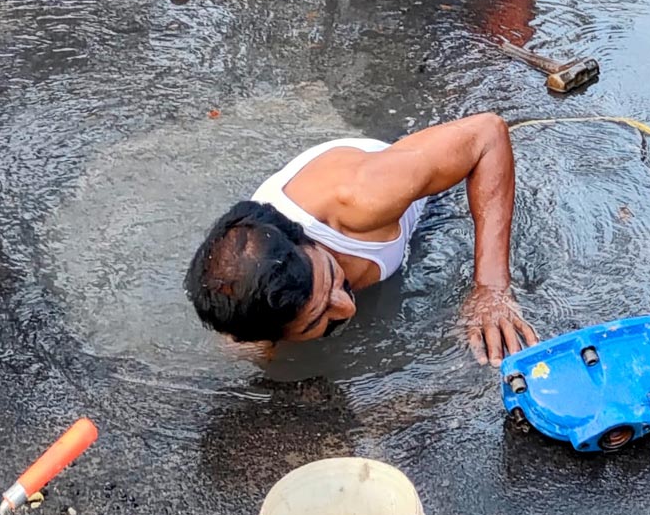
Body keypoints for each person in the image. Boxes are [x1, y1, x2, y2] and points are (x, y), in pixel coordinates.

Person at [184, 113, 538, 366]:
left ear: (306, 239)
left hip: (417, 192)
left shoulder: (365, 197)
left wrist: (490, 288)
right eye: (315, 319)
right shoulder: (247, 316)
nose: (347, 307)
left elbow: (487, 134)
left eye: (333, 279)